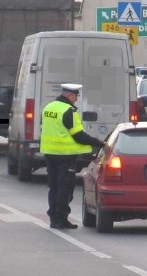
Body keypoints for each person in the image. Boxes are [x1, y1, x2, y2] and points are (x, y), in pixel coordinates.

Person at [40, 83, 104, 229]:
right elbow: (79, 135)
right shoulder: (68, 111)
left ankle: (54, 218)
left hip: (50, 154)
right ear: (70, 95)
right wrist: (98, 143)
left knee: (54, 187)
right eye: (75, 97)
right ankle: (61, 219)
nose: (76, 100)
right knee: (65, 188)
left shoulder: (48, 108)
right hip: (65, 156)